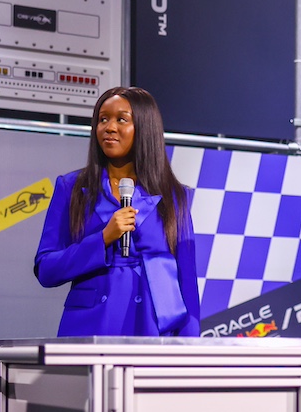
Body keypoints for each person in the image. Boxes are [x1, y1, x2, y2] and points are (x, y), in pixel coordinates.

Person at [34, 87, 200, 338]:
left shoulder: (174, 197)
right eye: (103, 119)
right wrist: (102, 239)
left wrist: (190, 355)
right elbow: (46, 269)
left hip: (152, 328)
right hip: (91, 329)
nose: (109, 127)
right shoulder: (70, 187)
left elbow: (187, 284)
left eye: (121, 119)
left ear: (144, 128)